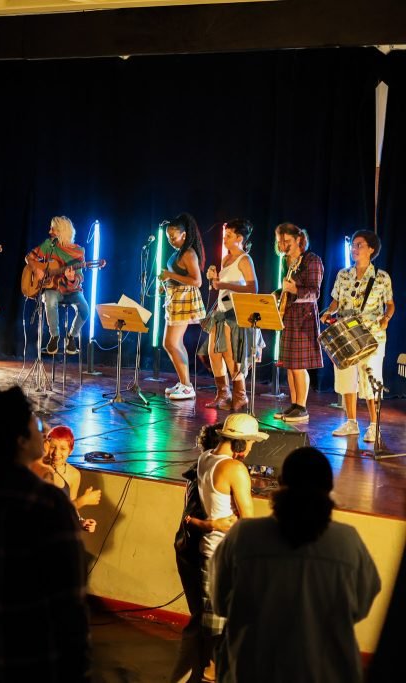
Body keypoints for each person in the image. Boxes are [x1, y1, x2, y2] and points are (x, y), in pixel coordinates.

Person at [0, 386, 90, 682]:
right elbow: (69, 601)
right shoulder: (49, 504)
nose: (44, 431)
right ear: (21, 440)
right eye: (37, 425)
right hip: (34, 659)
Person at [211, 447, 380, 682]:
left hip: (252, 670)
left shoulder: (243, 536)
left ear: (279, 483)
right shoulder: (348, 542)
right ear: (329, 489)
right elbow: (360, 607)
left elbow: (220, 603)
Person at [194, 413, 264, 681]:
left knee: (214, 627)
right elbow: (247, 521)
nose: (249, 451)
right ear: (240, 444)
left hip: (208, 554)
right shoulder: (235, 469)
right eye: (250, 445)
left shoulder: (205, 458)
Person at [170, 422, 238, 683]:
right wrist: (212, 524)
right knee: (203, 624)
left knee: (204, 623)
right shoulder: (202, 473)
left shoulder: (203, 466)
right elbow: (189, 519)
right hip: (194, 553)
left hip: (189, 551)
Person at [321, 230, 395, 442]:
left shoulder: (382, 277)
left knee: (371, 379)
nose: (354, 248)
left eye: (359, 245)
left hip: (371, 335)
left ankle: (374, 425)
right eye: (353, 245)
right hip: (346, 332)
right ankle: (351, 422)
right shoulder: (343, 274)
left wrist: (386, 318)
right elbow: (335, 301)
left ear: (371, 249)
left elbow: (390, 304)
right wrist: (328, 311)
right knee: (346, 377)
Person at [203, 220, 259, 411]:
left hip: (235, 313)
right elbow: (220, 287)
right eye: (224, 235)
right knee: (213, 353)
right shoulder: (226, 258)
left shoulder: (244, 259)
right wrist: (214, 279)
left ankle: (240, 395)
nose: (224, 239)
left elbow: (253, 288)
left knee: (230, 355)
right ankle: (223, 394)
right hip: (220, 310)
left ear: (239, 238)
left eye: (228, 236)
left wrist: (224, 285)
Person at [273, 223, 324, 423]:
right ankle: (294, 405)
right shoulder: (288, 262)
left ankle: (302, 407)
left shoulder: (312, 260)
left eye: (287, 241)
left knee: (299, 365)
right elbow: (286, 290)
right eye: (280, 241)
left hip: (304, 318)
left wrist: (295, 290)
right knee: (289, 365)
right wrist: (277, 294)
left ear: (299, 240)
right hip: (288, 316)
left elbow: (314, 292)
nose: (283, 245)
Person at [25, 216, 90, 355]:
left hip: (71, 290)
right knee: (50, 299)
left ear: (61, 231)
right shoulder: (50, 244)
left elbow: (79, 276)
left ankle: (71, 337)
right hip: (54, 288)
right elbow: (29, 257)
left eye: (52, 229)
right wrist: (37, 270)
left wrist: (72, 278)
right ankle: (54, 336)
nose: (49, 231)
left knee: (85, 308)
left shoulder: (78, 251)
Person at [159, 213, 207, 401]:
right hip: (175, 298)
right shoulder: (179, 252)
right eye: (168, 237)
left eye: (173, 237)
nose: (171, 241)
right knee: (170, 343)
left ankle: (187, 386)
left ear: (184, 235)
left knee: (172, 342)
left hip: (184, 299)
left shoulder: (189, 253)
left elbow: (197, 281)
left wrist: (170, 276)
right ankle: (184, 382)